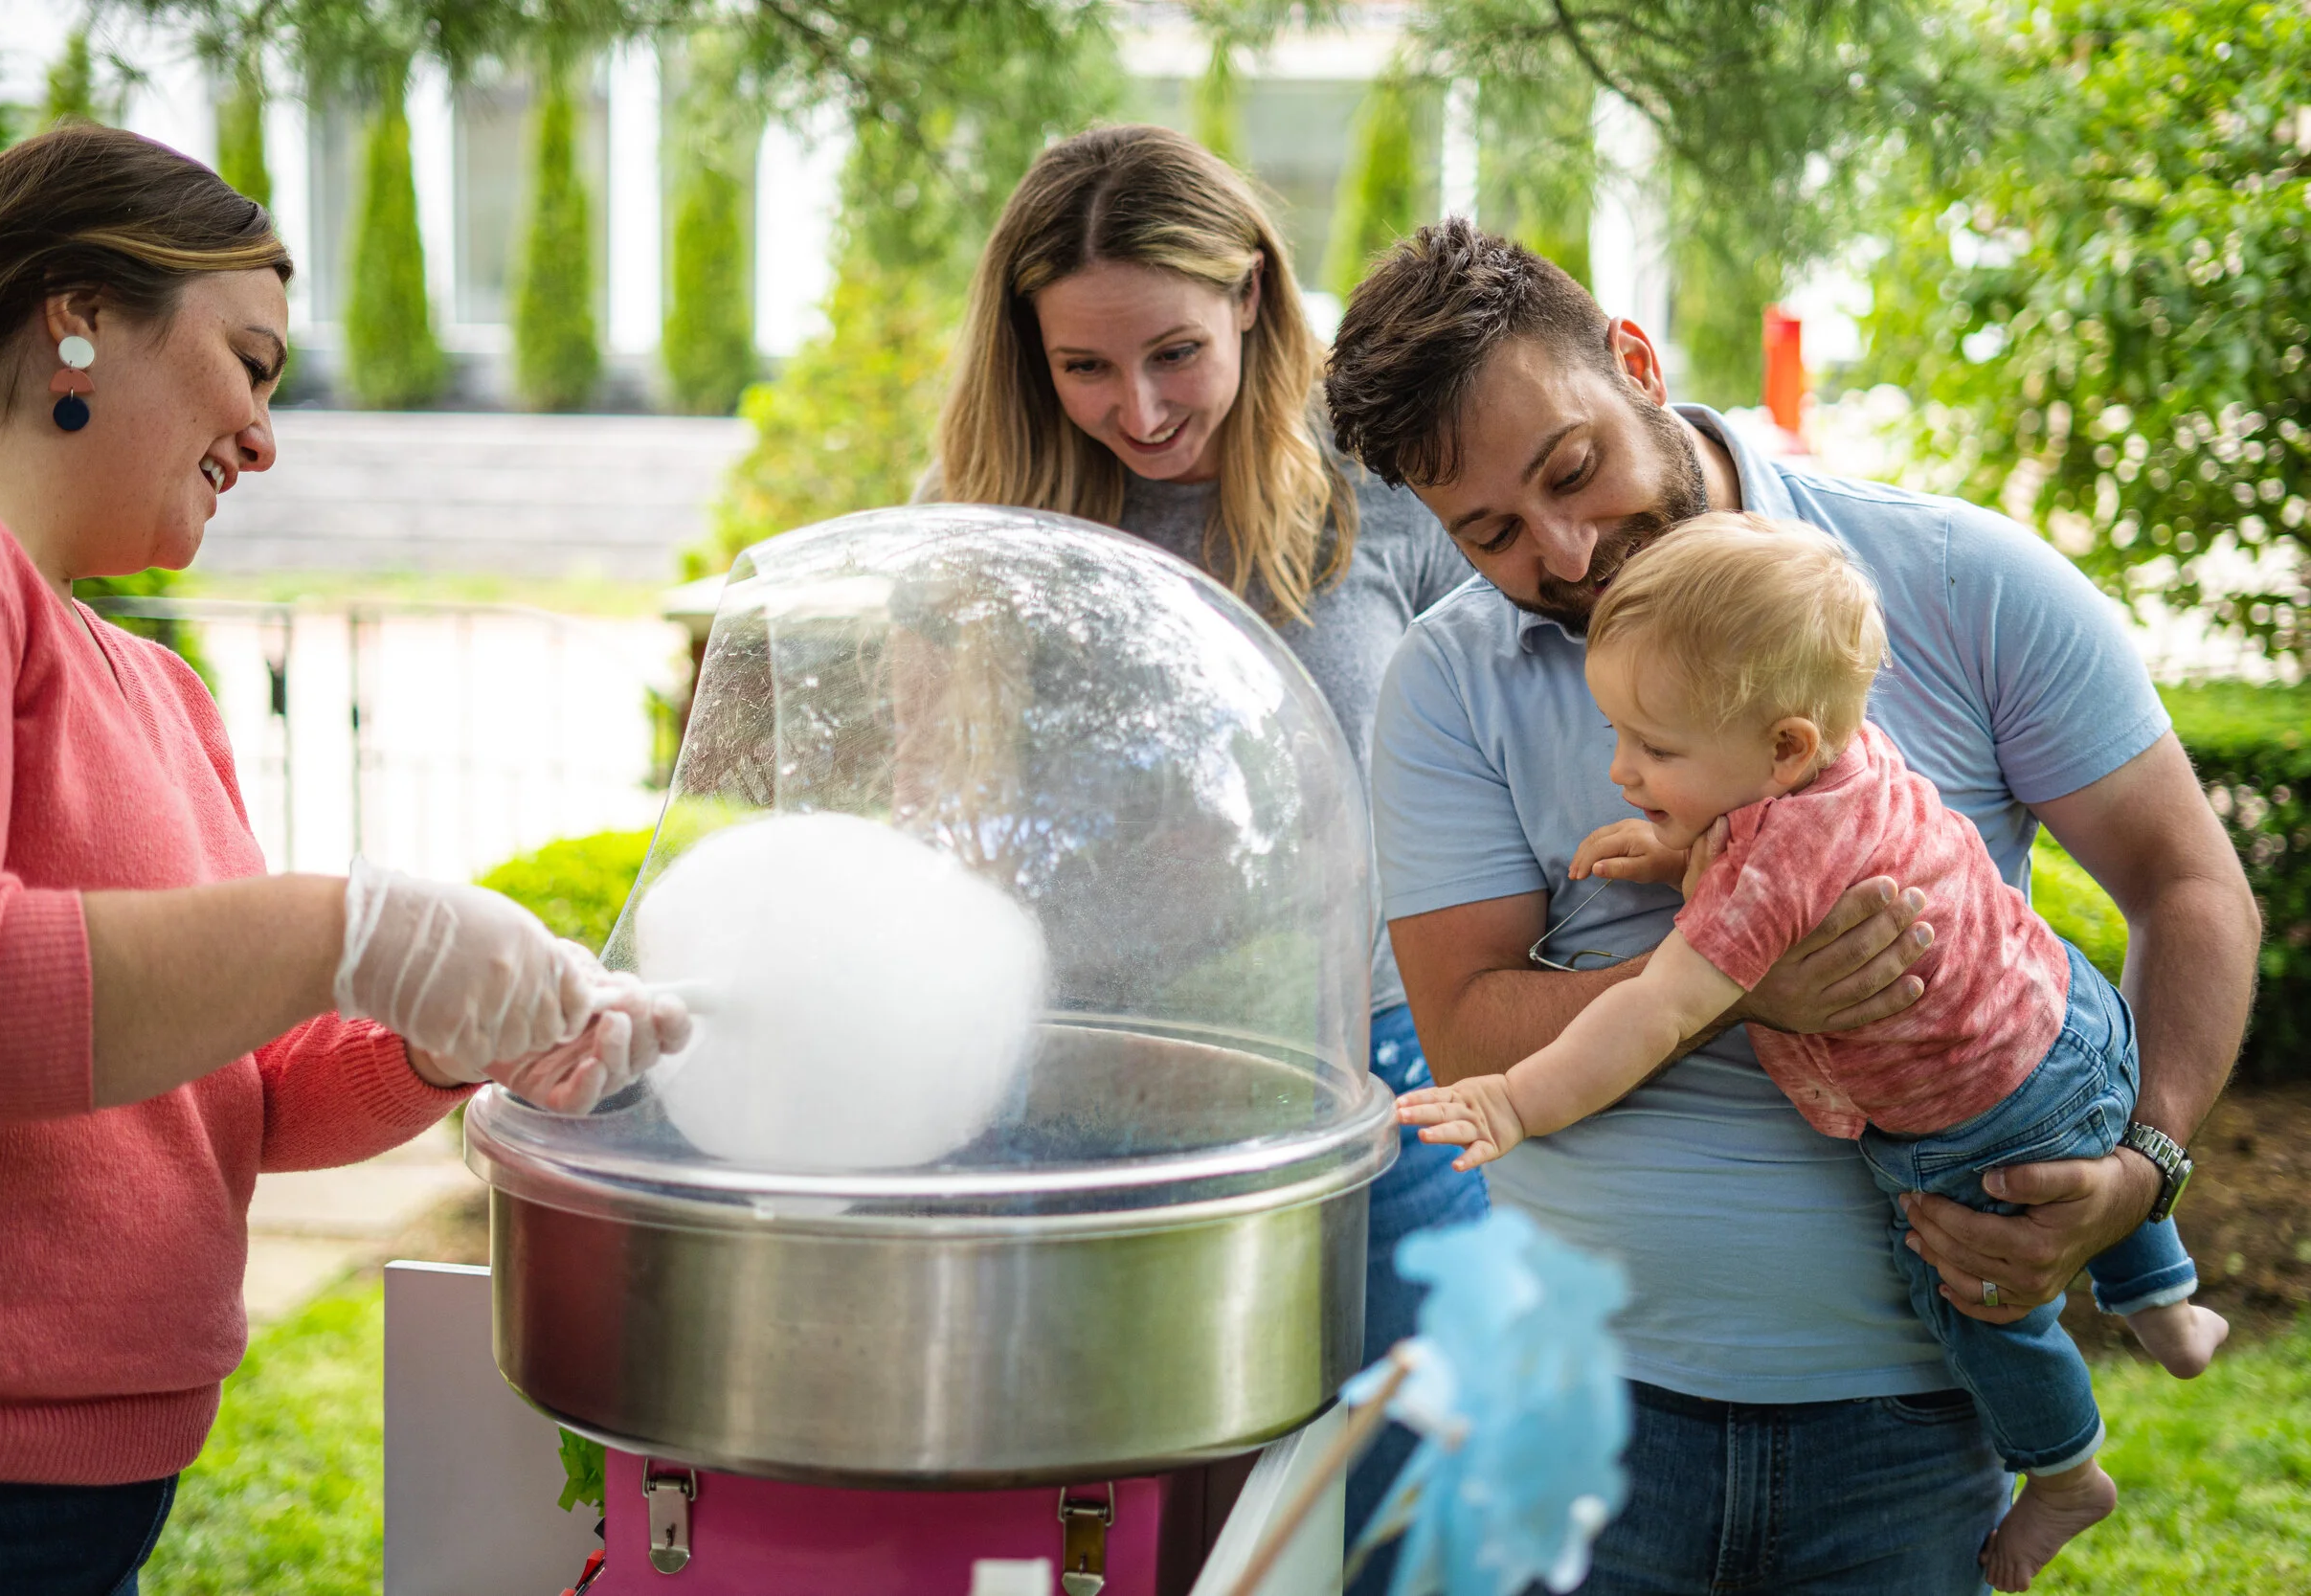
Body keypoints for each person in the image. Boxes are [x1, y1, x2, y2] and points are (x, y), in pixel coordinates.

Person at [1323, 219, 2259, 1593]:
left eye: (1572, 468)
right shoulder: (1444, 681)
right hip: (1582, 1410)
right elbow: (1469, 1038)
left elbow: (2190, 886)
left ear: (1635, 363)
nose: (1569, 550)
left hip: (1909, 1422)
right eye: (1492, 533)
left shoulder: (1956, 579)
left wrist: (2141, 1170)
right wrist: (1749, 981)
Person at [0, 126, 685, 1593]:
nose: (267, 437)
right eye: (249, 363)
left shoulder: (157, 688)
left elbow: (243, 1097)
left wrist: (450, 1035)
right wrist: (347, 924)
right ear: (77, 311)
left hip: (88, 1490)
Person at [1398, 514, 2228, 1592]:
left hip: (1972, 1127)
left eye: (1653, 748)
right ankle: (2160, 1298)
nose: (1619, 766)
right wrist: (1677, 848)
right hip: (2072, 1024)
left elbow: (1652, 1008)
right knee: (2102, 1138)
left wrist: (1513, 1101)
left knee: (1975, 1300)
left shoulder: (1780, 862)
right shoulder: (1848, 751)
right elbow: (1763, 828)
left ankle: (2065, 1470)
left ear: (1782, 744)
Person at [929, 123, 1486, 1573]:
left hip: (1383, 1096)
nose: (1141, 408)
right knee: (1100, 1537)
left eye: (1173, 349)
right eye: (1085, 366)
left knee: (1389, 1537)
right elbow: (934, 826)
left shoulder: (1388, 500)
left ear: (1251, 290)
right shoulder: (980, 528)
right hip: (1071, 1103)